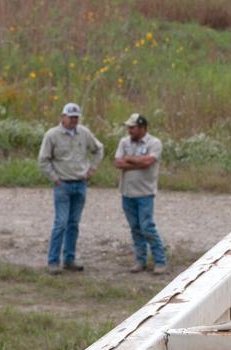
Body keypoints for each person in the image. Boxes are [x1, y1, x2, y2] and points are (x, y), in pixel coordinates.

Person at [37, 102, 103, 274]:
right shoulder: (52, 135)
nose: (74, 120)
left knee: (74, 223)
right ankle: (53, 261)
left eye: (76, 117)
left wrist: (92, 169)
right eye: (70, 117)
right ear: (63, 117)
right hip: (63, 184)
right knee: (60, 223)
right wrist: (55, 179)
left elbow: (98, 149)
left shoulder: (84, 133)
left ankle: (69, 259)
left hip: (80, 184)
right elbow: (43, 160)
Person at [114, 113, 167, 274]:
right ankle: (140, 260)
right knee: (135, 228)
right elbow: (118, 162)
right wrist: (137, 161)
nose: (129, 130)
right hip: (127, 193)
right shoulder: (124, 142)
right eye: (129, 127)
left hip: (145, 193)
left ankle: (160, 261)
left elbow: (148, 162)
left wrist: (129, 159)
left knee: (147, 227)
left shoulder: (154, 143)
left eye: (133, 127)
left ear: (142, 128)